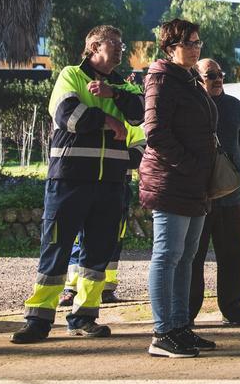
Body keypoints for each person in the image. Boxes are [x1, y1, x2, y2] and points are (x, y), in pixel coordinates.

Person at [11, 25, 143, 344]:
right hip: (69, 180)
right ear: (94, 46)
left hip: (111, 184)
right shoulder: (71, 75)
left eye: (122, 43)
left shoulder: (125, 86)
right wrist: (107, 120)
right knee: (56, 248)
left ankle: (85, 316)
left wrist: (115, 96)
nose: (121, 48)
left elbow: (140, 116)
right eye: (115, 43)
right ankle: (38, 318)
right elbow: (68, 115)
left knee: (98, 253)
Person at [139, 19, 219, 358]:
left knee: (186, 258)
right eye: (190, 42)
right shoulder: (161, 80)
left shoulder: (188, 80)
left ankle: (180, 326)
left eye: (199, 41)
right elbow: (155, 133)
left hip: (194, 184)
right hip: (172, 182)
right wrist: (189, 163)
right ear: (171, 46)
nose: (197, 47)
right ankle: (162, 333)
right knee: (167, 256)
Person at [189, 58, 240, 327]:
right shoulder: (190, 104)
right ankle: (187, 313)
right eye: (211, 75)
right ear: (197, 77)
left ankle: (233, 309)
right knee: (192, 257)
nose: (218, 78)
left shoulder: (234, 106)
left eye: (220, 74)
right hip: (197, 195)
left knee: (232, 253)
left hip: (230, 194)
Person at [59, 124, 144, 308]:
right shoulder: (86, 113)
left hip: (117, 184)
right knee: (78, 239)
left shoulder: (127, 118)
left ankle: (106, 288)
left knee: (112, 239)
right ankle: (72, 289)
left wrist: (113, 160)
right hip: (82, 181)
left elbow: (140, 147)